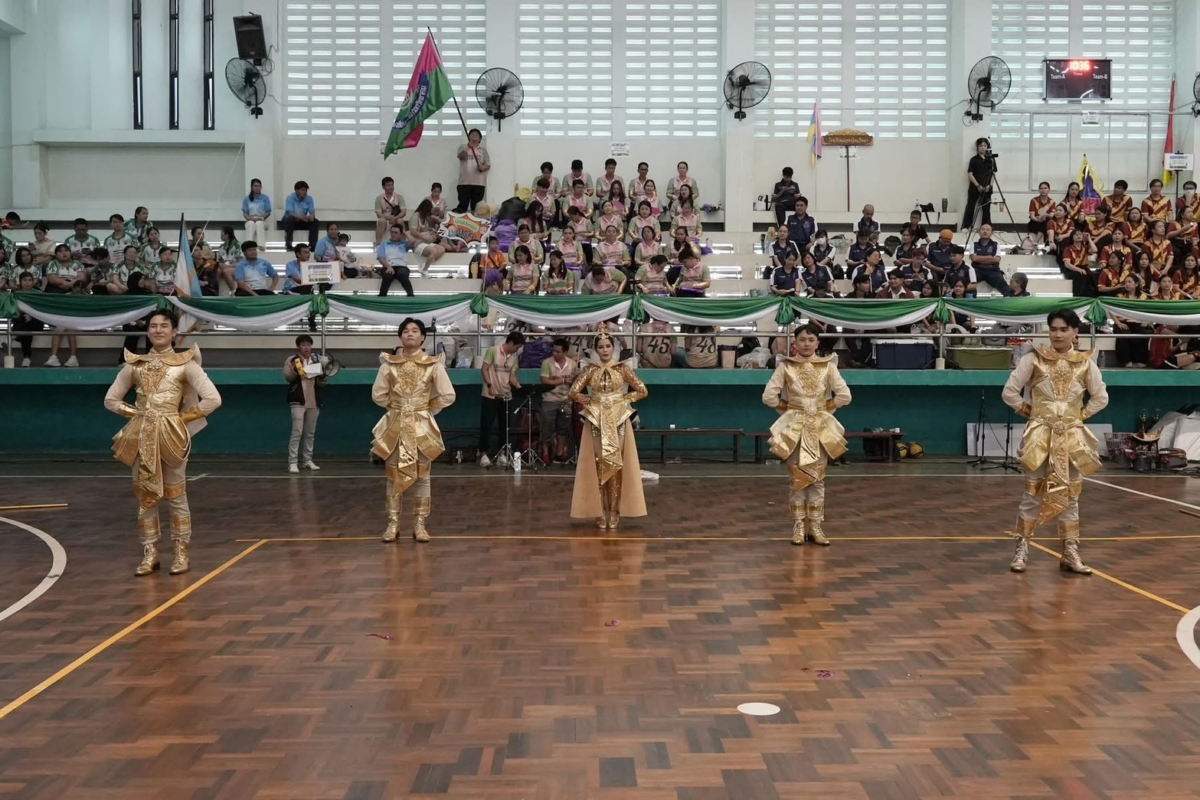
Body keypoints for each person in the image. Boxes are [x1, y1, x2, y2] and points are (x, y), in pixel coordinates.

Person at [104, 309, 222, 576]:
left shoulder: (185, 364)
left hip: (172, 436)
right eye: (153, 326)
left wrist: (181, 418)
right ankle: (150, 553)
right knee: (145, 495)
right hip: (140, 435)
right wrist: (137, 414)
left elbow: (213, 399)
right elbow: (110, 400)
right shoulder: (135, 365)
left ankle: (181, 552)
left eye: (164, 326)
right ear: (148, 331)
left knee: (175, 493)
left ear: (174, 332)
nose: (158, 330)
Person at [1002, 309, 1107, 574]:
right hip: (1039, 436)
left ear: (1075, 332)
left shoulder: (1085, 363)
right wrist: (1031, 412)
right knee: (1032, 493)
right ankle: (1022, 549)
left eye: (1063, 329)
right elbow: (1009, 392)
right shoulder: (1033, 360)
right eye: (1053, 329)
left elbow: (1101, 397)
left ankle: (1070, 551)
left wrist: (1078, 416)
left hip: (1072, 439)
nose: (1057, 335)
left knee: (1071, 495)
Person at [762, 323, 851, 546]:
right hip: (795, 430)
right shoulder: (786, 366)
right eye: (802, 340)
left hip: (819, 429)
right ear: (795, 343)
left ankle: (816, 525)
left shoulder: (828, 366)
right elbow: (768, 396)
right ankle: (799, 525)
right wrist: (792, 411)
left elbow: (845, 395)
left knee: (818, 478)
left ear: (817, 343)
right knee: (797, 478)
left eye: (811, 340)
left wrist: (822, 410)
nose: (807, 344)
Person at [370, 319, 456, 543]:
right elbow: (377, 394)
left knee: (423, 476)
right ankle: (392, 523)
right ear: (400, 336)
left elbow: (448, 395)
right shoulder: (388, 364)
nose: (410, 334)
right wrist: (397, 407)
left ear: (423, 337)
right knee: (392, 475)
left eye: (415, 330)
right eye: (406, 331)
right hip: (395, 425)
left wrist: (426, 408)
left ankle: (420, 523)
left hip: (422, 426)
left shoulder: (433, 364)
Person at [568, 322, 649, 529]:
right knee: (597, 464)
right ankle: (599, 510)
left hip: (618, 419)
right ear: (596, 350)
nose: (605, 350)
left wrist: (622, 400)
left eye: (608, 346)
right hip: (596, 420)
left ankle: (614, 511)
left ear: (613, 347)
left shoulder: (622, 369)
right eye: (601, 347)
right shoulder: (590, 370)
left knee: (615, 464)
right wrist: (591, 401)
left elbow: (642, 390)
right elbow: (573, 392)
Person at [479, 331, 525, 468]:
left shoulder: (514, 357)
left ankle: (502, 454)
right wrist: (490, 385)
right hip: (490, 394)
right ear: (510, 343)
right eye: (517, 347)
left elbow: (512, 375)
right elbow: (484, 369)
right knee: (487, 425)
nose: (517, 350)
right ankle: (483, 454)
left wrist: (517, 384)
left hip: (506, 395)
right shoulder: (493, 351)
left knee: (505, 426)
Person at [284, 334, 324, 473]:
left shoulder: (316, 360)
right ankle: (292, 462)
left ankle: (307, 460)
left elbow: (322, 382)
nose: (306, 347)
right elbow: (288, 376)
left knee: (310, 433)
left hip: (313, 401)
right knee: (297, 432)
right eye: (303, 345)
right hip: (298, 401)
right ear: (298, 347)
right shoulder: (292, 359)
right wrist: (297, 370)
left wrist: (323, 374)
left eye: (308, 345)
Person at [539, 338, 578, 464]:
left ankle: (559, 452)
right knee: (547, 426)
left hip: (565, 399)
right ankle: (545, 452)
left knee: (563, 427)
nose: (554, 353)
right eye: (553, 351)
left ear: (565, 352)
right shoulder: (547, 363)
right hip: (549, 399)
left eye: (558, 352)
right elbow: (545, 381)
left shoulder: (572, 364)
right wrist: (563, 381)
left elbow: (575, 382)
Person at [455, 128, 490, 213]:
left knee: (476, 208)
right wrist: (468, 146)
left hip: (479, 183)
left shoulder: (483, 151)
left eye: (476, 134)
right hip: (464, 183)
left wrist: (482, 167)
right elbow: (461, 157)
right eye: (472, 134)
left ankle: (474, 221)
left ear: (480, 139)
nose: (474, 135)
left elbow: (488, 165)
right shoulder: (463, 147)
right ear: (468, 137)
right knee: (462, 206)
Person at [970, 224, 1012, 295]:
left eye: (988, 230)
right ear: (979, 232)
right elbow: (974, 259)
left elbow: (996, 260)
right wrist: (989, 257)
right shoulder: (974, 243)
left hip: (992, 270)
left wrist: (980, 259)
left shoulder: (996, 244)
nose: (985, 231)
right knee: (965, 282)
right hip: (977, 270)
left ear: (992, 233)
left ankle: (1010, 298)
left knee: (1005, 288)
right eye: (983, 229)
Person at [963, 137, 994, 229]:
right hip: (975, 187)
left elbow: (993, 174)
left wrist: (990, 185)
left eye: (985, 146)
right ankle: (966, 226)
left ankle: (986, 226)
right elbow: (970, 174)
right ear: (977, 147)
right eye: (981, 146)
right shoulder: (974, 159)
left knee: (986, 208)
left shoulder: (991, 159)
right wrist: (977, 185)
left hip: (987, 188)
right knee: (971, 206)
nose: (983, 148)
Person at [377, 223, 414, 297]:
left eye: (396, 233)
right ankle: (382, 297)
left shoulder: (404, 244)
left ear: (400, 234)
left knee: (402, 274)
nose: (393, 234)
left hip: (402, 266)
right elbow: (381, 258)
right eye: (392, 232)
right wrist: (388, 266)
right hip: (388, 265)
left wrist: (405, 233)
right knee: (387, 275)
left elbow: (413, 242)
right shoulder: (384, 244)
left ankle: (411, 296)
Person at [283, 180, 318, 250]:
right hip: (291, 220)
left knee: (315, 222)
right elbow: (290, 213)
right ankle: (289, 245)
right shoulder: (290, 198)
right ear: (296, 190)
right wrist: (302, 218)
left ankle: (312, 246)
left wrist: (311, 217)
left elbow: (312, 212)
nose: (305, 192)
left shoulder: (309, 199)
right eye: (302, 190)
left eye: (306, 190)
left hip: (301, 221)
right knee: (290, 220)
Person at [373, 176, 407, 245]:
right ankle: (378, 244)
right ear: (383, 187)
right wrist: (388, 218)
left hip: (396, 219)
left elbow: (403, 212)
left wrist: (395, 218)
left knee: (400, 221)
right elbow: (379, 214)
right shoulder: (379, 198)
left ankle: (403, 243)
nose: (391, 187)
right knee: (381, 221)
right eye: (388, 185)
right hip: (385, 220)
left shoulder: (399, 197)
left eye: (392, 185)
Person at [242, 178, 272, 245]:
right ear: (251, 187)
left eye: (259, 186)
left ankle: (261, 245)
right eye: (255, 186)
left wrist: (260, 218)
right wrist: (249, 218)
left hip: (262, 220)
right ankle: (248, 245)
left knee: (259, 223)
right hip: (250, 219)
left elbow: (268, 212)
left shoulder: (265, 198)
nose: (257, 188)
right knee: (250, 224)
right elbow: (245, 212)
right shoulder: (247, 199)